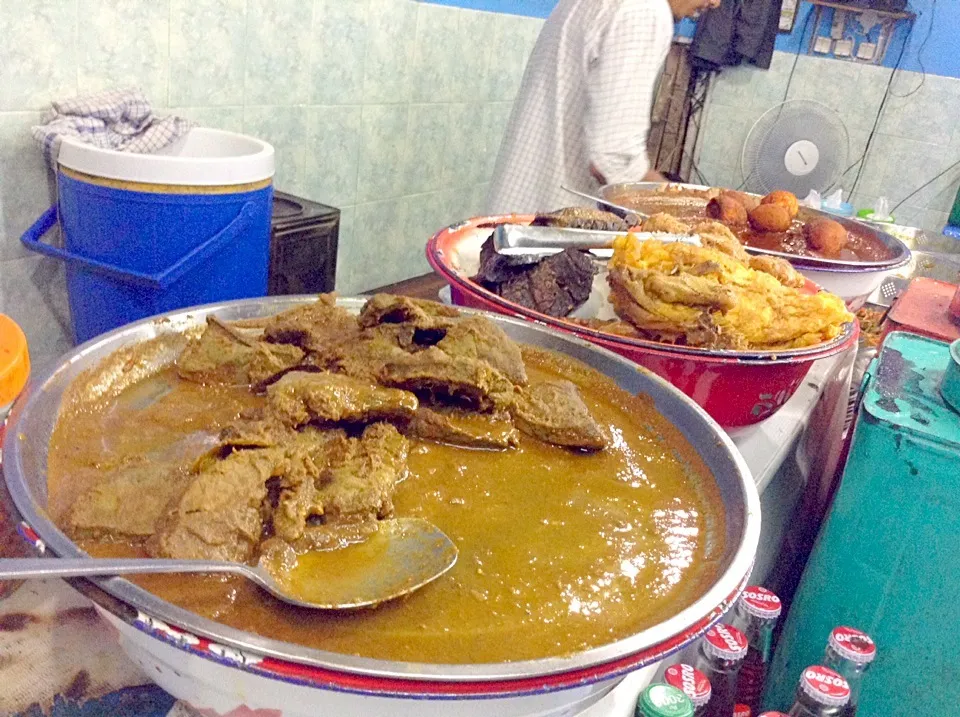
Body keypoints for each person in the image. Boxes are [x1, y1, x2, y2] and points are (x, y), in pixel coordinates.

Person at [485, 0, 720, 215]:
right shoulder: (645, 11)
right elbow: (613, 158)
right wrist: (688, 213)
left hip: (514, 215)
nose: (716, 3)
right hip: (551, 230)